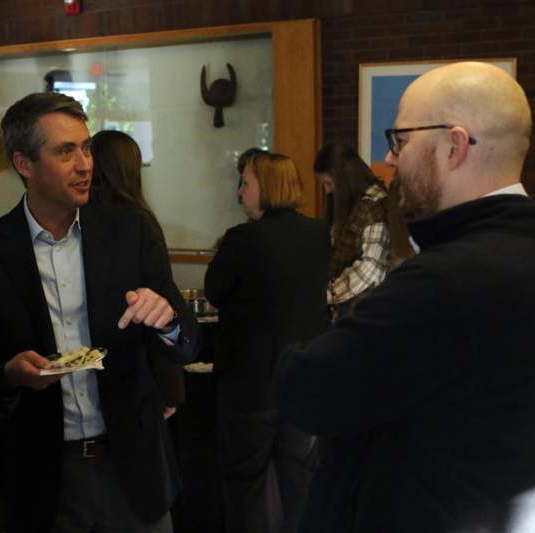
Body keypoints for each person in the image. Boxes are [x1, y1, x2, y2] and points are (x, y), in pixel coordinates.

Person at [276, 62, 535, 533]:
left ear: (455, 146)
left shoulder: (444, 281)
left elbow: (308, 390)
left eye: (400, 140)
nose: (390, 158)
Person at [0, 92, 200, 533]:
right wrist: (9, 375)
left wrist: (166, 321)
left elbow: (186, 342)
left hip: (132, 471)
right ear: (24, 164)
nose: (85, 164)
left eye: (85, 148)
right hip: (40, 480)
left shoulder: (129, 232)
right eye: (65, 152)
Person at [205, 152, 330, 533]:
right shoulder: (319, 234)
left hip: (251, 385)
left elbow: (213, 290)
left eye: (245, 182)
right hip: (304, 379)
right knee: (301, 483)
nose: (239, 191)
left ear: (267, 187)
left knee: (248, 486)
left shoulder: (242, 239)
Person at [90, 129, 185, 420]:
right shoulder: (137, 221)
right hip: (134, 362)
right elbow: (161, 301)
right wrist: (171, 389)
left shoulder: (81, 217)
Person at [313, 143, 393, 319]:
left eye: (328, 183)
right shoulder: (351, 203)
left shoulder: (375, 204)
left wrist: (328, 294)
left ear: (344, 177)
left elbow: (370, 268)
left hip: (367, 313)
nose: (327, 191)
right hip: (347, 311)